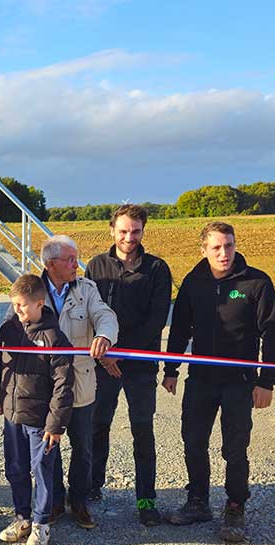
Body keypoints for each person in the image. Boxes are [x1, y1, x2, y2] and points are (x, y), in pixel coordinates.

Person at [162, 221, 275, 543]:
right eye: (216, 247)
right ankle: (198, 501)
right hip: (200, 380)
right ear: (203, 250)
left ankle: (234, 506)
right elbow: (180, 329)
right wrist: (171, 369)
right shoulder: (193, 282)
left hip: (239, 383)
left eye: (228, 246)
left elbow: (272, 333)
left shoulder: (255, 282)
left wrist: (266, 381)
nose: (224, 253)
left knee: (235, 448)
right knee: (193, 441)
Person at [85, 204, 172, 525]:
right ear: (112, 230)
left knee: (142, 429)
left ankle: (146, 498)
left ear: (143, 231)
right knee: (97, 425)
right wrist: (105, 355)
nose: (129, 237)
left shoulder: (157, 269)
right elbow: (88, 312)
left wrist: (120, 351)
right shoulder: (96, 266)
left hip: (140, 366)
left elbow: (156, 320)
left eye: (135, 231)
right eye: (123, 231)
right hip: (102, 364)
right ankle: (92, 486)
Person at [39, 235, 118, 529]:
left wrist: (105, 336)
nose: (77, 264)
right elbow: (12, 329)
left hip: (82, 385)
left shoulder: (87, 289)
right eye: (70, 259)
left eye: (76, 258)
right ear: (50, 264)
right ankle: (56, 500)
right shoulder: (32, 290)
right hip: (46, 388)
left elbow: (104, 315)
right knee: (50, 445)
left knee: (83, 447)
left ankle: (80, 501)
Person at [0, 274, 74, 545]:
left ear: (40, 303)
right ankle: (22, 517)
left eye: (23, 306)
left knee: (42, 470)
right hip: (12, 415)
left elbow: (64, 384)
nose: (18, 310)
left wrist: (55, 424)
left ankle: (41, 523)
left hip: (40, 419)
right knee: (15, 467)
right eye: (14, 304)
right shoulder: (8, 330)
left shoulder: (54, 338)